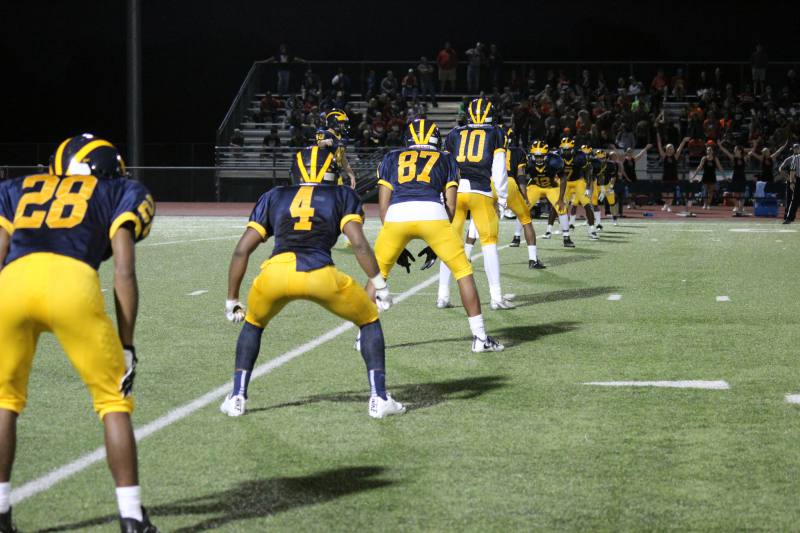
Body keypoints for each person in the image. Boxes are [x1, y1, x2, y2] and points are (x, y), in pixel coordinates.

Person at [0, 134, 158, 532]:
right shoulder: (120, 189)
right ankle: (132, 517)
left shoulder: (17, 188)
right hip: (72, 282)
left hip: (12, 283)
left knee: (4, 400)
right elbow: (123, 269)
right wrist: (126, 343)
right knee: (112, 402)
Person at [221, 145, 404, 419]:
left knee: (254, 324)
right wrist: (379, 285)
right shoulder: (343, 194)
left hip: (275, 275)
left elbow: (241, 250)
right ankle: (379, 398)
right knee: (368, 320)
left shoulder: (274, 195)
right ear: (331, 172)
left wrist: (232, 300)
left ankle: (237, 397)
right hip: (321, 274)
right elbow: (358, 243)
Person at [368, 119, 503, 352]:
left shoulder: (391, 157)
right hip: (433, 214)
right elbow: (450, 205)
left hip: (396, 215)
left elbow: (383, 206)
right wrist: (438, 239)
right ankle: (480, 338)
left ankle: (364, 338)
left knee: (377, 277)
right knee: (463, 272)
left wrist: (393, 239)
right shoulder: (446, 158)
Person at [438, 98, 514, 310]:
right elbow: (499, 168)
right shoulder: (497, 132)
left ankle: (442, 295)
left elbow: (444, 165)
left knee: (449, 244)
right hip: (480, 191)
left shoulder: (455, 133)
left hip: (456, 191)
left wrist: (443, 193)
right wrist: (503, 197)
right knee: (489, 244)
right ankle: (496, 297)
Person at [504, 128, 545, 269]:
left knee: (476, 222)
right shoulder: (518, 152)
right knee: (526, 220)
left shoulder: (489, 150)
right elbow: (521, 175)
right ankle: (533, 259)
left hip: (490, 185)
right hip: (509, 184)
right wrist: (525, 195)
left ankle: (467, 255)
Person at [526, 141, 571, 245]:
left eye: (541, 156)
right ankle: (516, 236)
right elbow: (521, 178)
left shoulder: (555, 161)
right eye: (536, 157)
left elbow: (563, 178)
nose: (538, 159)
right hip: (535, 186)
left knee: (562, 208)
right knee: (523, 208)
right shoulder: (527, 162)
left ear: (546, 155)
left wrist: (560, 199)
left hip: (551, 187)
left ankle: (566, 237)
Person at [557, 138, 598, 241]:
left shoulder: (580, 156)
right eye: (564, 149)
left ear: (572, 149)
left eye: (568, 149)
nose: (566, 151)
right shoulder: (557, 156)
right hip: (564, 182)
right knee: (561, 204)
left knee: (587, 204)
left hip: (578, 181)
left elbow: (588, 171)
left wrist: (588, 186)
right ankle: (562, 226)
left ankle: (592, 229)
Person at [315, 109, 357, 189]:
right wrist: (324, 142)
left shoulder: (343, 138)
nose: (344, 125)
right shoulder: (324, 133)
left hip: (336, 173)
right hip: (323, 173)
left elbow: (342, 158)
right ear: (334, 122)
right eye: (342, 123)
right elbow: (318, 146)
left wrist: (352, 175)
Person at [656, 132, 690, 212]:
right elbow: (659, 147)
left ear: (673, 149)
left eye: (671, 148)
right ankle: (666, 204)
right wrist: (658, 139)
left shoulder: (675, 156)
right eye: (669, 148)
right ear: (666, 149)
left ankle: (668, 206)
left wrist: (684, 141)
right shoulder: (664, 156)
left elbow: (680, 148)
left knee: (671, 193)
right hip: (665, 176)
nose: (670, 149)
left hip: (673, 176)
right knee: (664, 193)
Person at [589, 148, 620, 227]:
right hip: (596, 185)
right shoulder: (592, 164)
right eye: (599, 158)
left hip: (607, 185)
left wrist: (611, 187)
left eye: (602, 158)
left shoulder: (611, 165)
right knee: (594, 203)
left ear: (606, 158)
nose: (601, 160)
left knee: (612, 203)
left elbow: (613, 177)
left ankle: (614, 218)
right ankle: (596, 220)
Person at [718, 142, 751, 215]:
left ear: (739, 150)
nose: (734, 150)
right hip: (735, 176)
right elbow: (726, 152)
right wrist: (720, 146)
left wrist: (753, 145)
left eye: (735, 149)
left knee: (742, 193)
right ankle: (737, 206)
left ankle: (741, 208)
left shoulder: (744, 158)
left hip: (742, 176)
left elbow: (751, 151)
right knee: (734, 193)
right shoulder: (733, 157)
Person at [690, 145, 725, 209]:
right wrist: (694, 176)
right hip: (705, 176)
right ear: (706, 151)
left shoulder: (715, 158)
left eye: (710, 150)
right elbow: (699, 167)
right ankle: (705, 204)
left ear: (712, 151)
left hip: (712, 176)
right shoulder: (704, 158)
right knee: (705, 191)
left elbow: (720, 167)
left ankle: (709, 204)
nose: (709, 151)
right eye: (708, 150)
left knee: (711, 191)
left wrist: (724, 176)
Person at [779, 143, 800, 224]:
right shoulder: (791, 159)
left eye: (797, 148)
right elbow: (782, 169)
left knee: (793, 200)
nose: (796, 149)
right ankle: (788, 218)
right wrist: (789, 179)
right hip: (795, 180)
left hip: (795, 180)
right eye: (795, 148)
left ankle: (789, 218)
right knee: (792, 200)